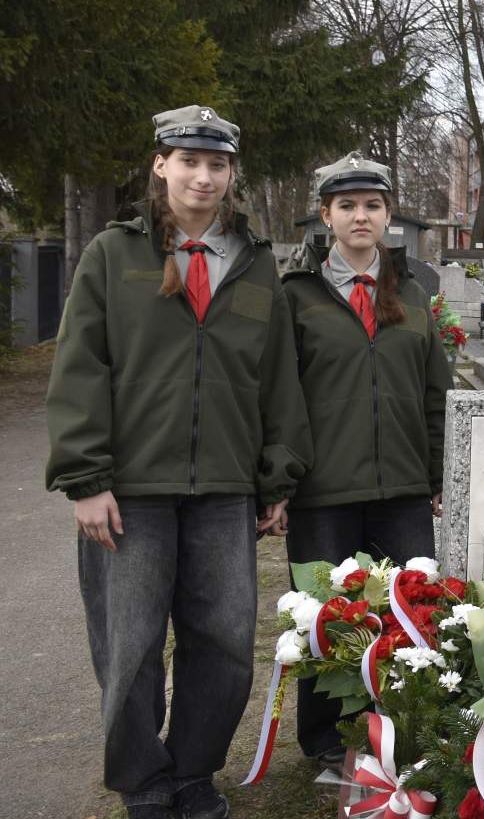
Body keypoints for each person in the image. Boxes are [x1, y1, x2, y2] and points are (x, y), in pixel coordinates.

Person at [46, 106, 313, 819]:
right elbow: (80, 367)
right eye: (188, 160)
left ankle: (195, 773)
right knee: (130, 645)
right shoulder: (113, 254)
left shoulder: (256, 262)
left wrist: (277, 474)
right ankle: (143, 781)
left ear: (230, 174)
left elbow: (278, 379)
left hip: (224, 489)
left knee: (224, 641)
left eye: (216, 164)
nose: (203, 176)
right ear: (160, 165)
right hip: (130, 489)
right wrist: (86, 478)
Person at [281, 153, 453, 771]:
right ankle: (328, 740)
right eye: (347, 206)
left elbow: (435, 393)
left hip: (403, 489)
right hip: (323, 491)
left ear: (388, 216)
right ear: (325, 215)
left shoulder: (412, 294)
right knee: (327, 619)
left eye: (373, 205)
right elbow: (279, 395)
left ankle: (405, 728)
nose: (361, 216)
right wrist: (280, 481)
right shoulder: (295, 297)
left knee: (410, 614)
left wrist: (439, 475)